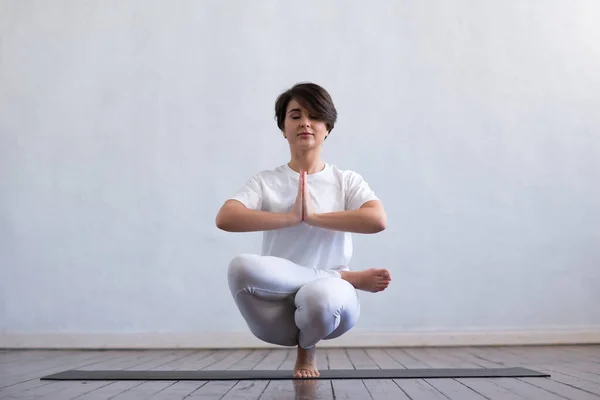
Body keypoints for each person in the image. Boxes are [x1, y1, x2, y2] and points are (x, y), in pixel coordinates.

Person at [215, 82, 391, 378]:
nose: (305, 123)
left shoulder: (346, 180)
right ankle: (345, 277)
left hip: (331, 305)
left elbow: (377, 220)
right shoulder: (266, 181)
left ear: (327, 127)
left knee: (318, 299)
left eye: (314, 116)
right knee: (239, 267)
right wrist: (290, 217)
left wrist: (314, 217)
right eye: (295, 116)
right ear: (284, 128)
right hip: (275, 309)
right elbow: (226, 217)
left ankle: (308, 351)